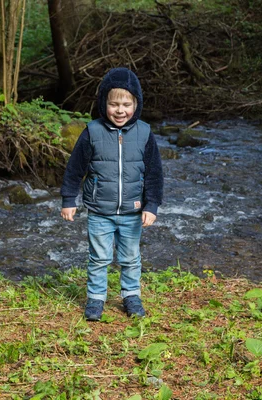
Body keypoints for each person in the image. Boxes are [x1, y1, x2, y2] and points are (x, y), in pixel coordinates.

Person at [60, 67, 164, 321]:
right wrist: (68, 199)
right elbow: (75, 169)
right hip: (99, 211)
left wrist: (152, 205)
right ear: (103, 103)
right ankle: (96, 299)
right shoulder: (92, 132)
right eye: (114, 104)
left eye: (126, 104)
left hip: (132, 211)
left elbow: (154, 174)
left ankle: (131, 296)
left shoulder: (144, 134)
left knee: (130, 258)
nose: (120, 110)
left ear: (136, 104)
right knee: (99, 258)